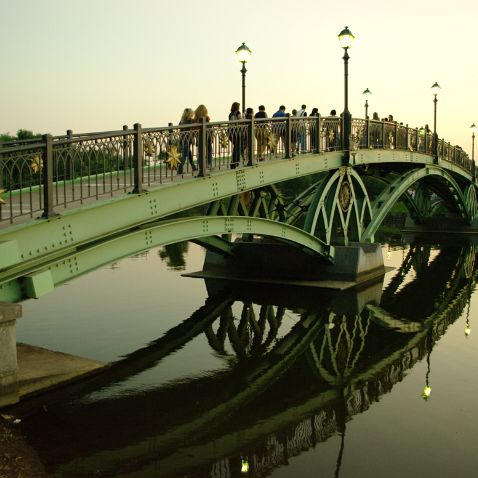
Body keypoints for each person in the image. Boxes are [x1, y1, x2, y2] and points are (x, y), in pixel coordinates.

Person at [194, 104, 213, 171]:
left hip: (199, 136)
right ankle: (209, 164)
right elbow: (210, 128)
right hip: (207, 136)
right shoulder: (207, 118)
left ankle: (201, 166)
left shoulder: (196, 119)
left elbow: (195, 129)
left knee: (200, 151)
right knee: (209, 150)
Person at [178, 108, 196, 174]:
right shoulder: (191, 121)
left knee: (188, 153)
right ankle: (180, 169)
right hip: (188, 139)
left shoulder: (181, 121)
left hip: (183, 139)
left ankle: (193, 166)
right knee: (185, 154)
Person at [228, 102, 242, 169]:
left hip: (231, 132)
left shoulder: (230, 114)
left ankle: (233, 162)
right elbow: (240, 120)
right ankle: (235, 162)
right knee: (237, 147)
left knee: (236, 147)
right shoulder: (238, 113)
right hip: (237, 131)